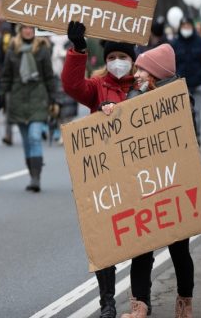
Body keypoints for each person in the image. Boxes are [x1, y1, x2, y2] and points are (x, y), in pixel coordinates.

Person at [60, 20, 144, 318]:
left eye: (122, 58)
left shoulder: (145, 85)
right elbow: (71, 85)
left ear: (133, 60)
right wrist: (78, 51)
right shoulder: (97, 87)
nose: (117, 63)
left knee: (141, 241)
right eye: (111, 58)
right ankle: (107, 301)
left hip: (139, 175)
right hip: (106, 178)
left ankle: (140, 301)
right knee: (106, 241)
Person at [121, 43, 195, 318]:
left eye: (141, 69)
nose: (136, 73)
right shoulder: (134, 98)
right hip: (146, 185)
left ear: (156, 73)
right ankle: (140, 305)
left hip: (173, 183)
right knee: (141, 249)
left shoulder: (180, 100)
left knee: (179, 249)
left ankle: (185, 303)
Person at [0, 25, 56, 193]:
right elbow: (6, 76)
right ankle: (32, 174)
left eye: (31, 27)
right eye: (24, 28)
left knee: (34, 137)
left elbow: (49, 76)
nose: (28, 31)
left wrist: (54, 99)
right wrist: (1, 99)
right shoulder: (12, 49)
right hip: (18, 98)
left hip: (37, 97)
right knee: (26, 141)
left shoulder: (42, 48)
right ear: (20, 30)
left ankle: (36, 178)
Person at [170, 16, 201, 143]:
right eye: (184, 26)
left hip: (199, 83)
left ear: (192, 27)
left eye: (188, 26)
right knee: (185, 113)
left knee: (197, 111)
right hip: (182, 84)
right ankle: (188, 137)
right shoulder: (175, 44)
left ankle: (196, 135)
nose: (186, 29)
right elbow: (171, 62)